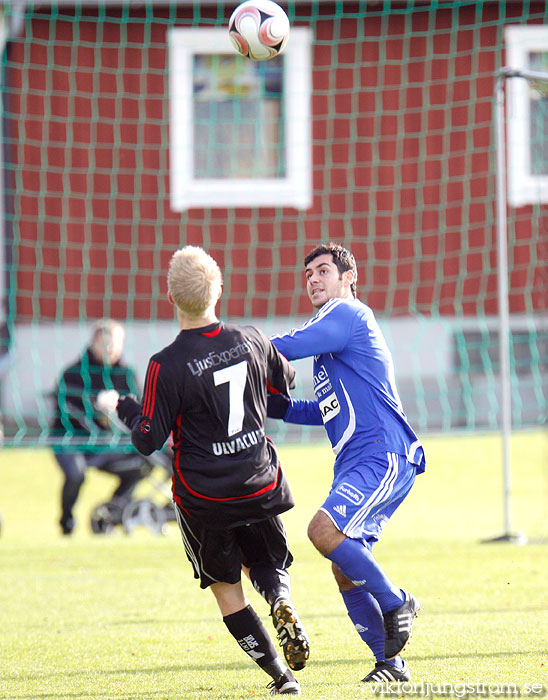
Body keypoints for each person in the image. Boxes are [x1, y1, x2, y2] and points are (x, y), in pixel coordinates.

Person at [116, 246, 309, 696]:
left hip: (204, 497)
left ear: (170, 296)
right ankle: (281, 599)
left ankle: (282, 678)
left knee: (226, 588)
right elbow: (286, 382)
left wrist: (127, 409)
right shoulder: (252, 338)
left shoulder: (166, 364)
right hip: (258, 481)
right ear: (219, 289)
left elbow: (148, 439)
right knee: (266, 560)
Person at [268, 243, 426, 683]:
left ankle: (398, 601)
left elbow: (284, 347)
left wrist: (238, 351)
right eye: (308, 275)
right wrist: (274, 405)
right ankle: (390, 665)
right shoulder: (332, 348)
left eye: (322, 271)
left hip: (382, 453)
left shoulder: (346, 315)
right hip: (361, 461)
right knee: (344, 565)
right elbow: (323, 410)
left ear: (347, 277)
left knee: (322, 531)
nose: (313, 279)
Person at [51, 319, 148, 535]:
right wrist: (97, 415)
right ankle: (66, 521)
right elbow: (68, 411)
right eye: (105, 344)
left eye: (116, 344)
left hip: (107, 445)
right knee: (76, 474)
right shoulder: (73, 374)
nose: (111, 350)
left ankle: (111, 512)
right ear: (93, 343)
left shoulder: (126, 375)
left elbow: (138, 410)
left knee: (143, 464)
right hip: (71, 441)